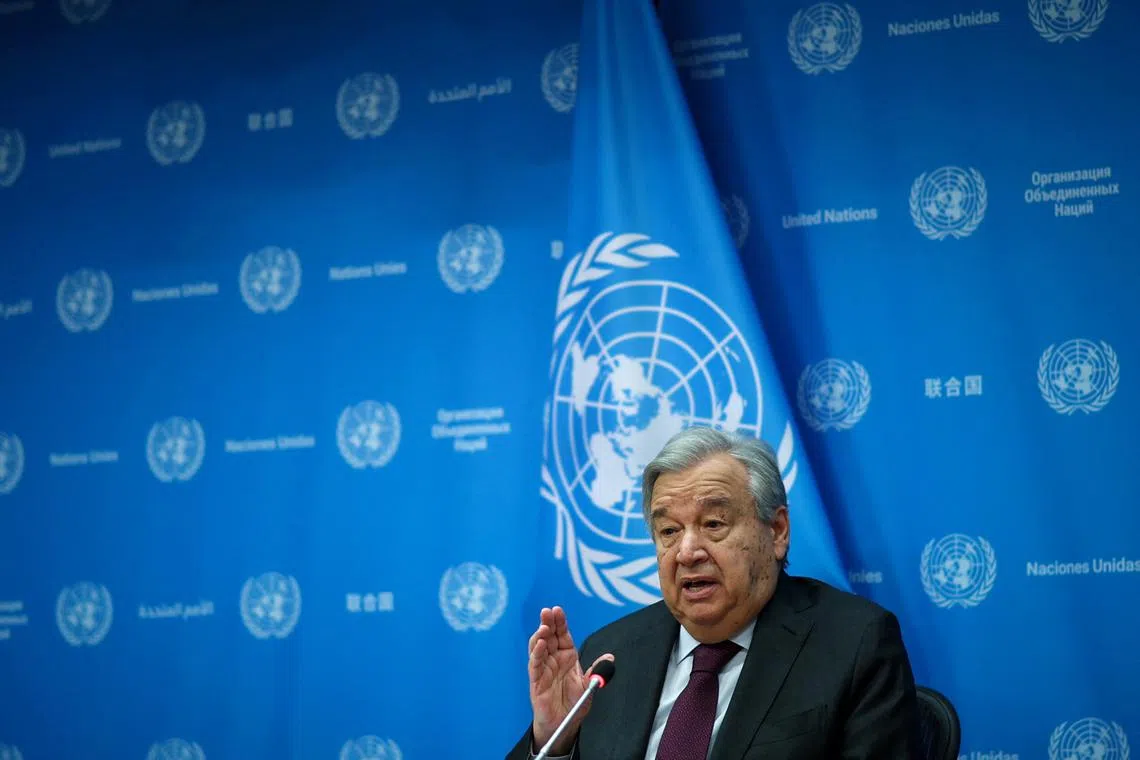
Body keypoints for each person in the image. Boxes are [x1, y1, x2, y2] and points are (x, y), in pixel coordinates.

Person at [507, 426, 919, 759]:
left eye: (714, 524)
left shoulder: (854, 643)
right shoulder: (612, 656)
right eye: (669, 531)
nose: (687, 551)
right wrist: (555, 740)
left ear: (776, 531)